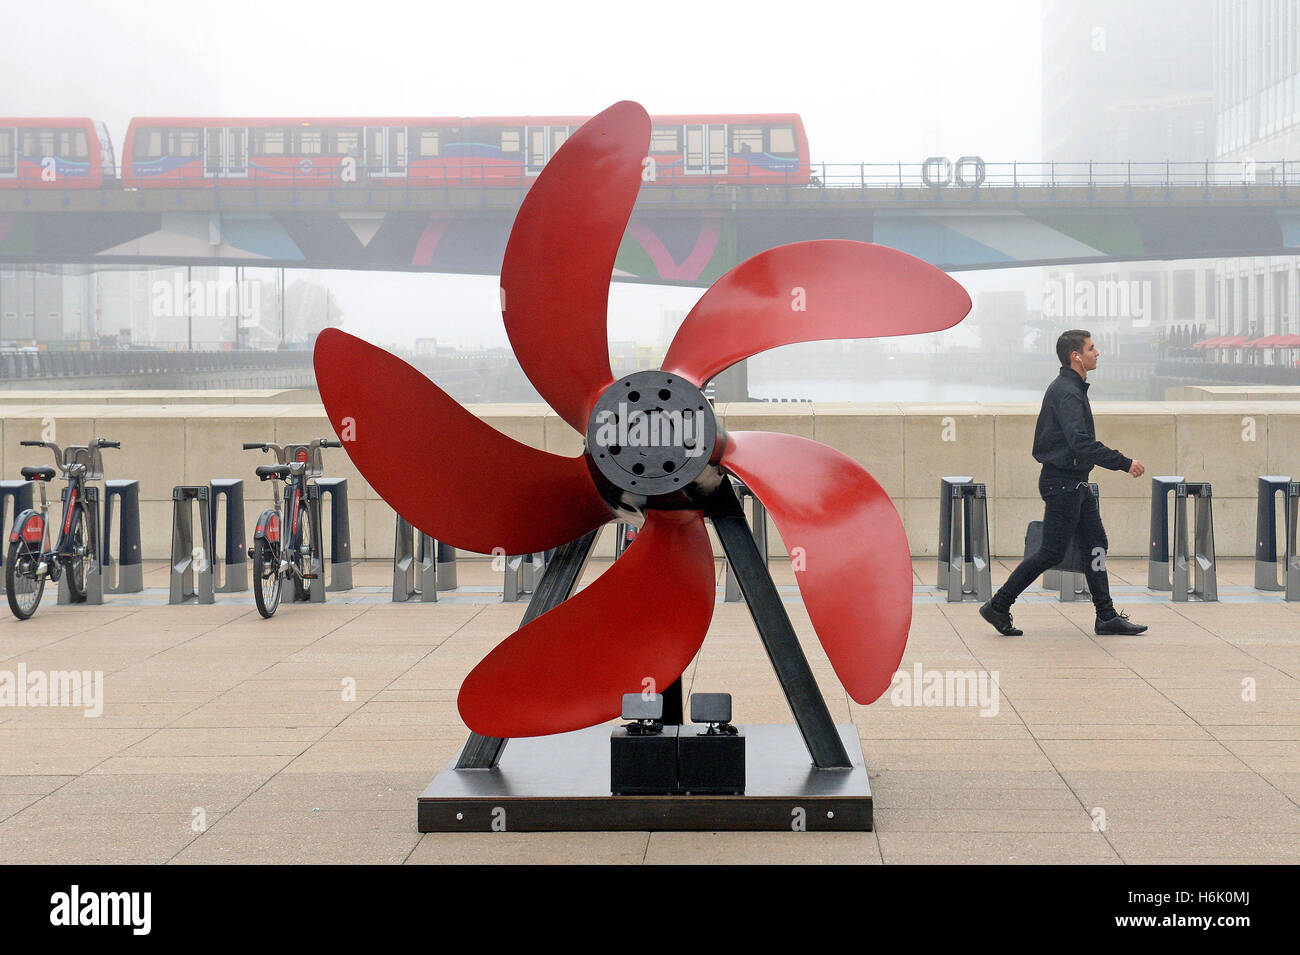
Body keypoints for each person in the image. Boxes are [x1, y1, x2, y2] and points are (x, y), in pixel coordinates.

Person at [980, 329, 1149, 636]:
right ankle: (999, 604)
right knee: (1051, 552)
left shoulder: (1072, 388)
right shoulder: (1067, 392)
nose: (1097, 353)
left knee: (1095, 544)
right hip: (1063, 483)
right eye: (1092, 348)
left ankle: (1107, 616)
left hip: (1076, 483)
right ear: (1076, 356)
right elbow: (1081, 442)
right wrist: (1124, 463)